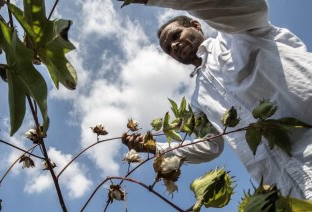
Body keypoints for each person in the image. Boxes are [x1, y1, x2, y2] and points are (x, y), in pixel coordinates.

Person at [120, 0, 312, 199]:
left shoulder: (239, 34)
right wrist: (152, 146)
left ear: (196, 25)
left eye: (175, 36)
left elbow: (249, 6)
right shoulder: (199, 100)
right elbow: (210, 146)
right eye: (169, 49)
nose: (174, 46)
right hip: (289, 189)